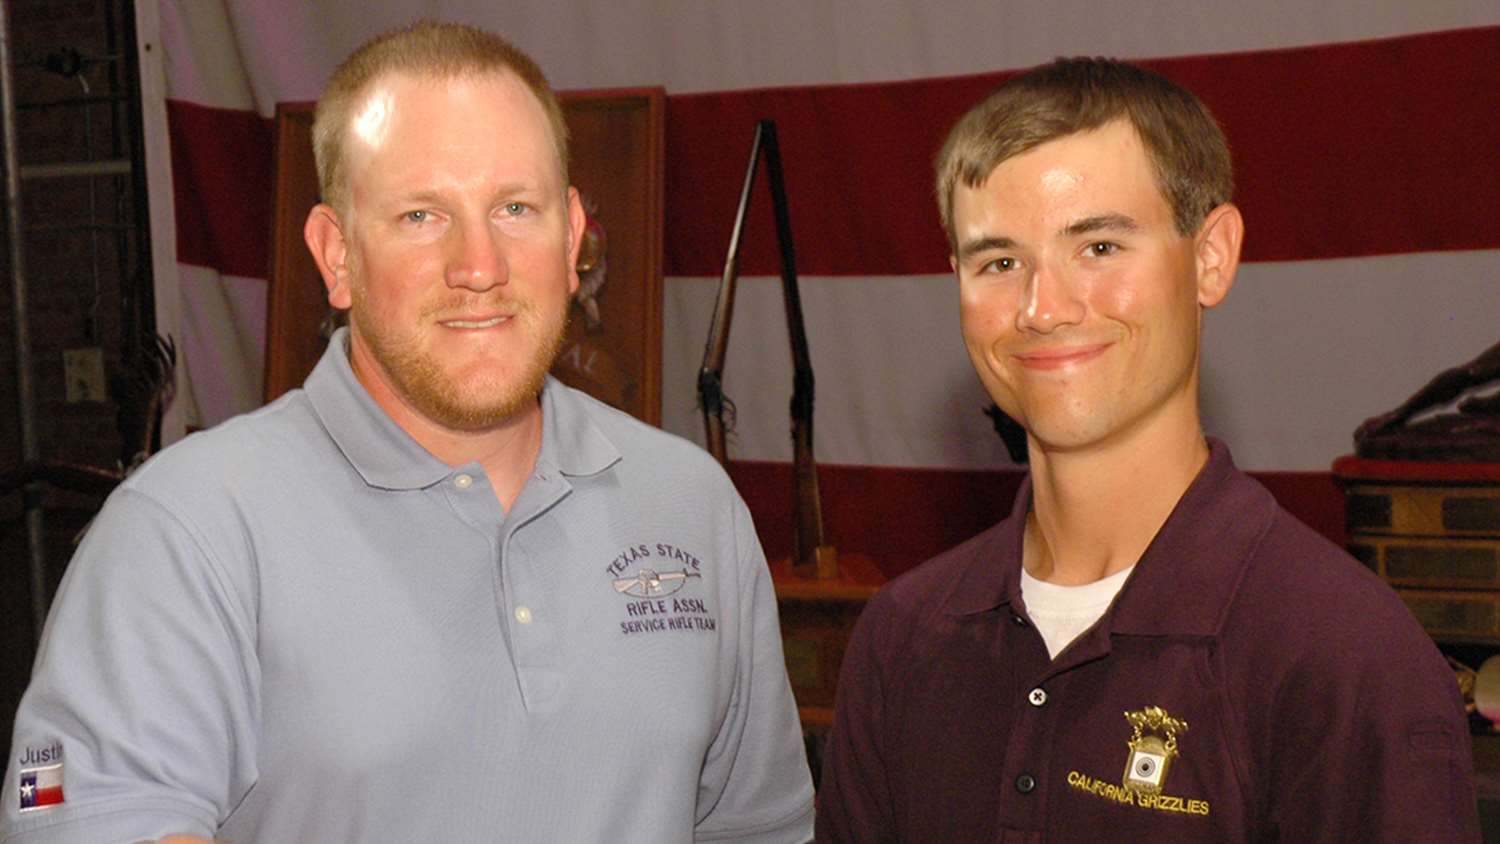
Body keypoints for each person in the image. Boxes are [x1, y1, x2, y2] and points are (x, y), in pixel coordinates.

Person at [3, 22, 813, 843]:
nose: (479, 264)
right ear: (337, 256)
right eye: (422, 214)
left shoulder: (691, 506)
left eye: (515, 208)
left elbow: (759, 827)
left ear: (573, 240)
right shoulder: (184, 530)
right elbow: (81, 815)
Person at [816, 58, 1478, 842]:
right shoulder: (902, 637)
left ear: (1211, 257)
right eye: (998, 262)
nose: (1041, 308)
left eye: (1097, 247)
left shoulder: (1342, 655)